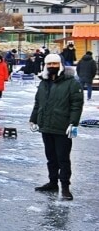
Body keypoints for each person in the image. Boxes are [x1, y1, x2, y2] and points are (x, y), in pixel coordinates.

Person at [30, 53, 84, 200]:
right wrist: (33, 119)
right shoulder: (44, 82)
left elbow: (76, 105)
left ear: (60, 65)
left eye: (54, 63)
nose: (52, 66)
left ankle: (65, 187)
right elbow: (38, 103)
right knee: (51, 158)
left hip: (62, 127)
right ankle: (52, 183)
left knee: (63, 159)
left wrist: (73, 123)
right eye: (49, 64)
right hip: (46, 126)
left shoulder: (71, 83)